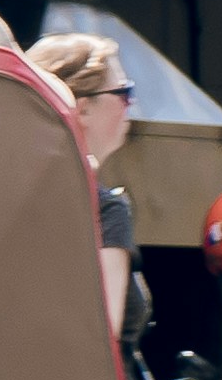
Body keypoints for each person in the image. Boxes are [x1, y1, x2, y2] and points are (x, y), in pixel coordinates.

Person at [29, 30, 141, 351]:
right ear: (83, 108)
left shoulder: (15, 198)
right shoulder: (106, 209)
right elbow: (101, 341)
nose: (130, 104)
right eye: (124, 92)